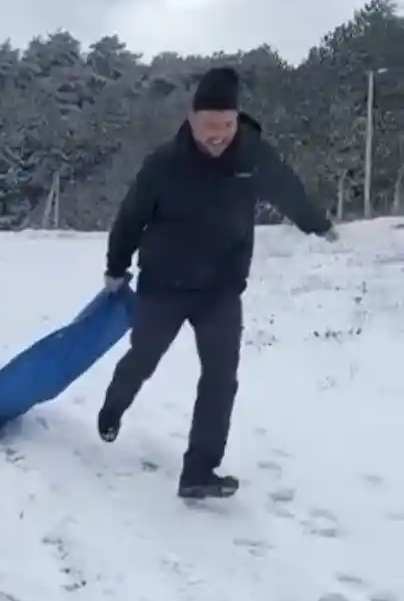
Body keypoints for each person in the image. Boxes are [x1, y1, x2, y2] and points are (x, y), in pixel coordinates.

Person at [97, 65, 335, 500]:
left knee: (221, 378)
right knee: (143, 358)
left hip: (221, 288)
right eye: (211, 126)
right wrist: (116, 268)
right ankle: (114, 405)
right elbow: (130, 218)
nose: (219, 135)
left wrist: (320, 226)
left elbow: (288, 190)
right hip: (164, 284)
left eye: (227, 125)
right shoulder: (164, 165)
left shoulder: (252, 156)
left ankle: (199, 472)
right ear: (191, 120)